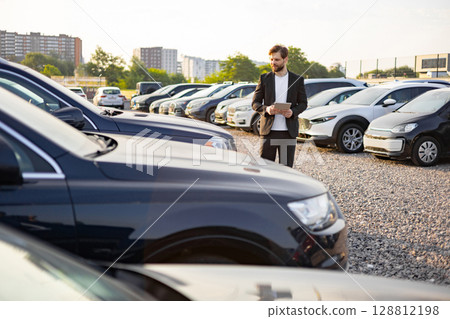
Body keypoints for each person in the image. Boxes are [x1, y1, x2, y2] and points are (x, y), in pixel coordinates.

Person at [252, 44, 307, 167]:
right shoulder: (264, 78)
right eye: (271, 59)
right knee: (266, 169)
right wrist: (267, 109)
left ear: (285, 59)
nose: (273, 62)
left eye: (276, 60)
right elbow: (255, 103)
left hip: (288, 133)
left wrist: (293, 112)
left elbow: (303, 103)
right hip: (268, 132)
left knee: (286, 171)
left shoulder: (297, 80)